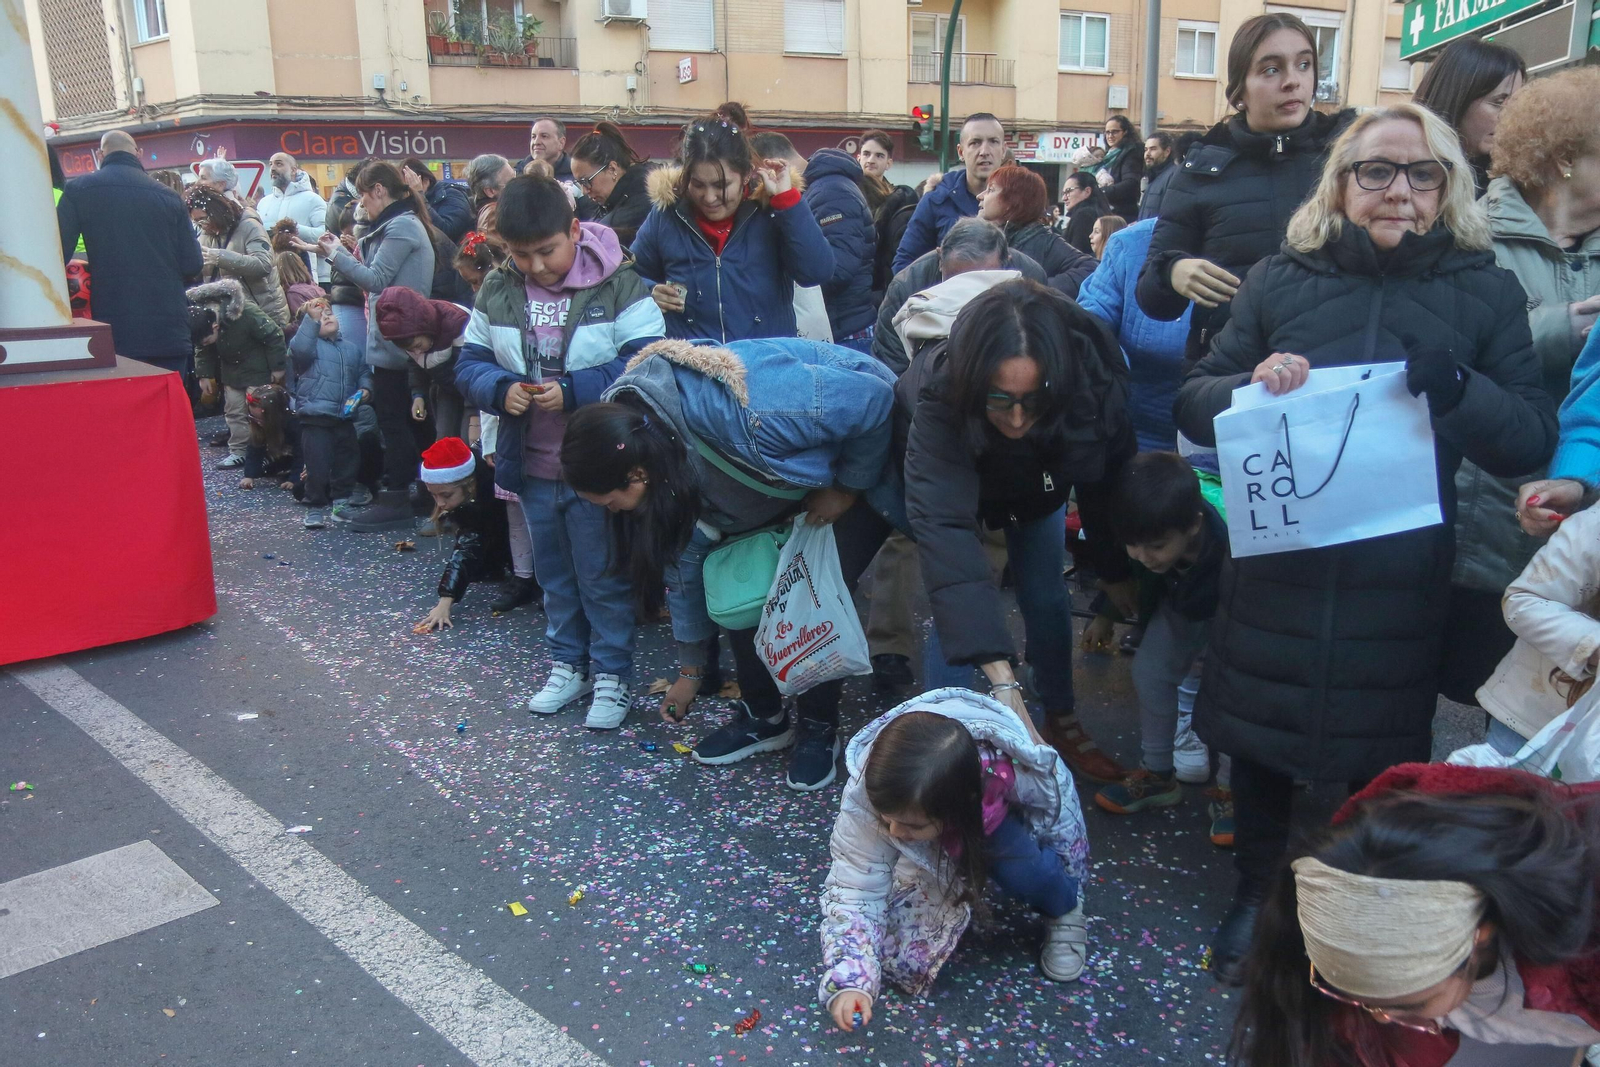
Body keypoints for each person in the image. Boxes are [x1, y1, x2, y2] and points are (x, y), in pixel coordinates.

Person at [1172, 103, 1557, 985]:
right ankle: (1256, 894)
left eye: (1422, 174)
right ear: (1341, 184)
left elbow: (1529, 436)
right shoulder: (1280, 277)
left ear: (1448, 189)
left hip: (1400, 574)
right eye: (1376, 170)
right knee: (1262, 743)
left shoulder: (1485, 288)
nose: (1399, 190)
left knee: (1376, 750)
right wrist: (1250, 386)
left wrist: (1458, 387)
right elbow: (1196, 398)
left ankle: (1338, 899)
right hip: (1284, 566)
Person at [562, 335, 897, 791]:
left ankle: (818, 728)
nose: (611, 511)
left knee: (806, 598)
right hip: (770, 487)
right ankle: (765, 716)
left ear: (638, 476)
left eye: (610, 501)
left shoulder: (750, 412)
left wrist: (847, 487)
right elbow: (684, 566)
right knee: (736, 585)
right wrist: (690, 671)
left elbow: (874, 400)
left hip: (857, 457)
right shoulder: (645, 450)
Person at [902, 279, 1138, 786]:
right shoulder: (940, 392)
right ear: (971, 383)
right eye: (999, 399)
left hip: (1038, 489)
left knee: (1048, 596)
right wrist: (1003, 682)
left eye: (1033, 401)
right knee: (959, 605)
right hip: (957, 484)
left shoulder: (1093, 381)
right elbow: (947, 539)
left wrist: (1114, 574)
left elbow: (1105, 480)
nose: (1015, 419)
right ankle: (950, 739)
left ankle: (1061, 719)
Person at [454, 175, 665, 729]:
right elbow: (468, 364)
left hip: (596, 466)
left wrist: (576, 388)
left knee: (601, 574)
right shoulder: (498, 288)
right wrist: (500, 389)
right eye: (520, 255)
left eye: (546, 251)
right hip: (533, 464)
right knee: (554, 575)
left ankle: (614, 675)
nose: (536, 267)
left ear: (573, 230)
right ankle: (567, 665)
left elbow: (648, 362)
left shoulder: (620, 283)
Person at [1233, 761, 1600, 1067]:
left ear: (1479, 938)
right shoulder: (1355, 866)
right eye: (1354, 997)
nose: (1377, 1017)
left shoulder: (1584, 963)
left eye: (1408, 1005)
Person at [1446, 66, 1600, 708]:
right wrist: (1565, 328)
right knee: (1449, 686)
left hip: (1574, 530)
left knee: (1534, 706)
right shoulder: (1469, 236)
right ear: (1567, 160)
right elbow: (1447, 356)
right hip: (1479, 517)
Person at [819, 691, 1092, 1032]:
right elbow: (854, 886)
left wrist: (1070, 884)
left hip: (989, 819)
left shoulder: (1018, 768)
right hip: (942, 823)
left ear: (956, 808)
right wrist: (853, 978)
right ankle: (927, 858)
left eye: (911, 824)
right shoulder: (873, 789)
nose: (893, 830)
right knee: (902, 944)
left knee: (1026, 872)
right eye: (886, 818)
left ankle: (1063, 909)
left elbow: (1062, 823)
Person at [1136, 13, 1355, 363]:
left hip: (1333, 370)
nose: (1292, 81)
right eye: (1271, 70)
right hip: (1232, 375)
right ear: (1239, 91)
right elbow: (1151, 298)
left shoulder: (1352, 157)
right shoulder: (1201, 172)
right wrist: (1172, 271)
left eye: (1304, 64)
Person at [295, 160, 437, 532]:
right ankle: (420, 492)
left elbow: (376, 280)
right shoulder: (397, 224)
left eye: (363, 193)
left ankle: (398, 497)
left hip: (399, 340)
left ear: (378, 190)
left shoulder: (402, 226)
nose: (361, 203)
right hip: (396, 337)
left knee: (396, 421)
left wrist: (336, 257)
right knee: (408, 420)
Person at [1085, 454, 1223, 815]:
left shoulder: (1233, 539)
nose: (1143, 556)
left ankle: (1235, 793)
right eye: (1134, 545)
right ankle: (1158, 773)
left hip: (1241, 608)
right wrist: (1105, 614)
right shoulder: (1143, 533)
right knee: (1150, 672)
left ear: (1193, 526)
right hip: (1180, 601)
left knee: (1234, 693)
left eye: (1157, 546)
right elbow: (1129, 578)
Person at [630, 102, 836, 343]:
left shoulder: (771, 211)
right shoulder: (667, 214)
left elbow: (817, 271)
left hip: (766, 367)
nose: (709, 197)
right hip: (692, 368)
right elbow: (629, 278)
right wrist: (650, 291)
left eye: (721, 185)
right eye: (697, 184)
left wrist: (788, 201)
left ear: (747, 174)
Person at [55, 130, 203, 376]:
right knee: (168, 409)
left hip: (114, 329)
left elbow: (58, 253)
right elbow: (192, 264)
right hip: (167, 329)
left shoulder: (78, 191)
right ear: (139, 154)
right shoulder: (169, 197)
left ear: (100, 155)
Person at [1475, 497, 1600, 759]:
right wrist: (1592, 643)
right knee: (1506, 797)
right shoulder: (1595, 525)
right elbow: (1524, 602)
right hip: (1536, 719)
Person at [871, 217, 1050, 377]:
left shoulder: (1030, 279)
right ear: (940, 259)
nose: (966, 293)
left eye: (980, 281)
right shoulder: (906, 287)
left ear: (1006, 263)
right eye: (956, 282)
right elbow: (892, 369)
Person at [751, 131, 877, 352]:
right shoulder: (820, 188)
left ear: (771, 165)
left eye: (757, 175)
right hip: (838, 327)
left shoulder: (831, 191)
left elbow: (838, 268)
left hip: (846, 333)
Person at [1075, 218, 1192, 452]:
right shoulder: (1129, 244)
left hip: (1233, 449)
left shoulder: (1261, 245)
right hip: (1132, 439)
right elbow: (1088, 327)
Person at [409, 437, 513, 634]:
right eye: (434, 495)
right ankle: (492, 564)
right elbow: (470, 539)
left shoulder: (488, 485)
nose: (439, 503)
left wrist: (445, 601)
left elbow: (469, 544)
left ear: (469, 485)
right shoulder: (468, 489)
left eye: (446, 495)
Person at [286, 296, 371, 528]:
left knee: (347, 464)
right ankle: (314, 508)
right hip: (315, 418)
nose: (326, 318)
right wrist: (310, 323)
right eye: (318, 318)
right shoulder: (308, 349)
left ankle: (340, 505)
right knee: (317, 468)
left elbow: (363, 371)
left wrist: (365, 390)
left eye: (329, 315)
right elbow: (299, 349)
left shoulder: (351, 349)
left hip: (344, 418)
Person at [188, 278, 289, 470]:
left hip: (258, 368)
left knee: (262, 412)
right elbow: (203, 349)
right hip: (232, 372)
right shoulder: (203, 323)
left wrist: (278, 367)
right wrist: (203, 374)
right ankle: (239, 451)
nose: (207, 343)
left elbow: (274, 335)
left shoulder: (246, 313)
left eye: (209, 339)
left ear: (215, 327)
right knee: (234, 411)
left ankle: (269, 451)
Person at [1412, 36, 1526, 198]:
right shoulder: (1407, 172)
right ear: (1457, 99)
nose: (1510, 117)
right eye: (1498, 103)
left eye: (1517, 105)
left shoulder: (1514, 182)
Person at [892, 113, 1006, 272]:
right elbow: (905, 263)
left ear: (1004, 150)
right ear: (960, 152)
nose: (984, 151)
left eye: (993, 142)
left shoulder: (1022, 199)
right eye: (975, 142)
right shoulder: (937, 198)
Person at [373, 286, 472, 447]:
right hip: (447, 390)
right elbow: (416, 364)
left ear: (426, 327)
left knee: (470, 441)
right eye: (411, 350)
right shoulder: (409, 338)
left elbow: (471, 373)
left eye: (419, 345)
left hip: (472, 393)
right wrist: (418, 395)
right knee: (444, 443)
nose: (417, 352)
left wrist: (474, 417)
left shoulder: (457, 323)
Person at [976, 165, 1096, 298]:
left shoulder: (1043, 240)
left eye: (990, 190)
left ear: (1013, 201)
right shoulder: (989, 238)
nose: (980, 196)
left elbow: (1092, 269)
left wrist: (1037, 289)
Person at [186, 187, 290, 329]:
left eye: (203, 219)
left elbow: (263, 264)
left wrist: (220, 257)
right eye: (196, 222)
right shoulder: (205, 235)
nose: (201, 226)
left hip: (264, 313)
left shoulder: (249, 225)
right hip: (230, 317)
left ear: (216, 212)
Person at [568, 121, 657, 250]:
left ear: (612, 169)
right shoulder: (612, 201)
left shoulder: (645, 197)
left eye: (586, 181)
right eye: (579, 183)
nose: (584, 191)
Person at [858, 129, 919, 305]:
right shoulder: (848, 193)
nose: (871, 160)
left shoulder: (900, 200)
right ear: (858, 157)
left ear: (888, 163)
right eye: (866, 154)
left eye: (879, 155)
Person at [257, 152, 328, 282]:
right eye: (271, 164)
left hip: (304, 276)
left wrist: (291, 229)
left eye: (279, 164)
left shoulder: (312, 199)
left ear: (294, 170)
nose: (272, 168)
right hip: (273, 277)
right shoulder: (264, 203)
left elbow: (326, 234)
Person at [399, 157, 473, 245]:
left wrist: (419, 195)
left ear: (425, 180)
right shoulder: (410, 201)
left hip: (453, 254)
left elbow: (447, 231)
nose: (408, 193)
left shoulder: (452, 194)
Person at [1097, 116, 1144, 218]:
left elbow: (1130, 183)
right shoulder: (1109, 154)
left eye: (1114, 132)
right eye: (1107, 132)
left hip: (1122, 213)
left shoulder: (1131, 152)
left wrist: (1101, 192)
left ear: (1125, 132)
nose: (1110, 136)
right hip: (1110, 211)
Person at [1057, 172, 1108, 256]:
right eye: (1063, 193)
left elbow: (1077, 255)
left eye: (1068, 191)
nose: (1064, 198)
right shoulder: (1096, 211)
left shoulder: (1084, 215)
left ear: (1087, 191)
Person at [1138, 132, 1176, 220]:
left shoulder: (1173, 176)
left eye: (1153, 149)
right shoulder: (1154, 176)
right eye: (1146, 149)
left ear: (1167, 152)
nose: (1147, 154)